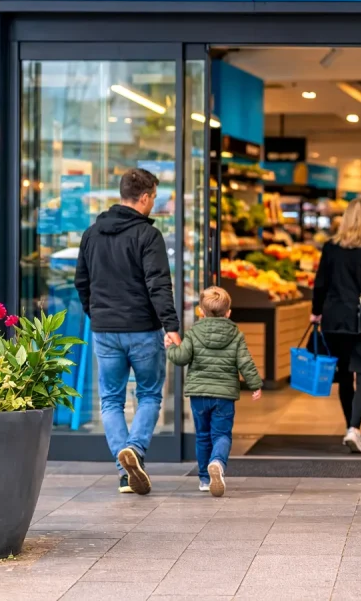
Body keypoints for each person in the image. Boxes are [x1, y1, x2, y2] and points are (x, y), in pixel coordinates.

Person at [74, 168, 181, 495]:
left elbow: (82, 282)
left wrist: (98, 314)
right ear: (146, 197)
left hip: (105, 331)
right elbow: (158, 285)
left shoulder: (92, 234)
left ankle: (125, 472)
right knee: (148, 393)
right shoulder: (148, 236)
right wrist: (172, 326)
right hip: (143, 330)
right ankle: (134, 449)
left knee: (110, 400)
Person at [311, 200, 361, 454]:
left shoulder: (330, 248)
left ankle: (350, 427)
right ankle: (354, 428)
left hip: (334, 320)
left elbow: (320, 283)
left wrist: (316, 311)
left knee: (344, 374)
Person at [166, 286, 262, 497]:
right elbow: (245, 362)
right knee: (221, 434)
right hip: (224, 395)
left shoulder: (193, 332)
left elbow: (181, 358)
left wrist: (171, 347)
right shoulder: (236, 334)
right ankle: (217, 462)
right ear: (229, 312)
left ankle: (203, 478)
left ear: (201, 311)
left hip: (199, 395)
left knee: (202, 436)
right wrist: (255, 384)